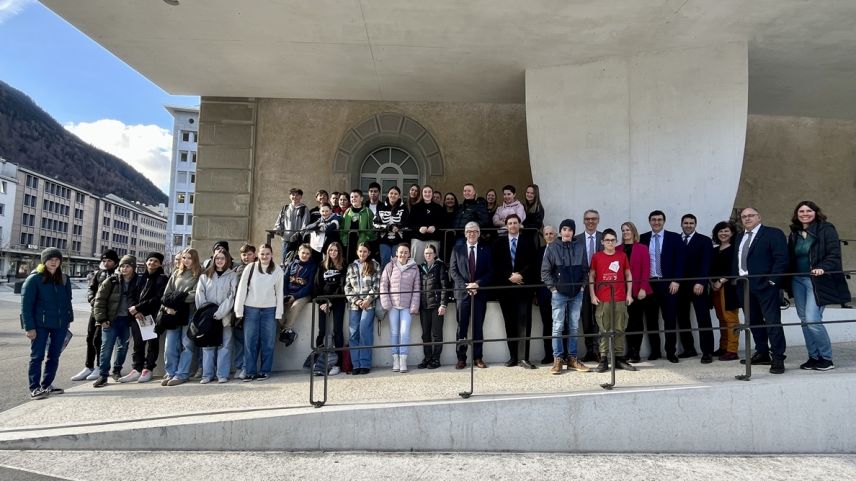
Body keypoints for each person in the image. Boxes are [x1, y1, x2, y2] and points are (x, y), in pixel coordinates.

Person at [787, 201, 851, 371]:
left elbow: (834, 253)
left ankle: (826, 358)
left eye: (808, 211)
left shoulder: (826, 229)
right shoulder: (794, 233)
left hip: (817, 280)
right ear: (797, 214)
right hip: (797, 280)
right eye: (801, 211)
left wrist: (823, 267)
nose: (805, 214)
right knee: (804, 321)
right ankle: (814, 357)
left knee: (812, 320)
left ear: (815, 212)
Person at [733, 207, 789, 374]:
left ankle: (778, 357)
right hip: (744, 285)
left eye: (751, 215)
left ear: (759, 217)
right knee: (753, 321)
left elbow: (782, 259)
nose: (747, 218)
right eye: (744, 216)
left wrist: (772, 281)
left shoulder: (773, 233)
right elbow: (737, 260)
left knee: (772, 322)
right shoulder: (739, 237)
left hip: (766, 286)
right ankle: (762, 352)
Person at [21, 248, 74, 399]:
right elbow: (26, 306)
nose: (54, 262)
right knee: (37, 356)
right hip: (40, 325)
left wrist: (68, 319)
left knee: (54, 356)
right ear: (44, 261)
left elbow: (67, 301)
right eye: (50, 259)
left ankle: (47, 385)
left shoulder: (64, 278)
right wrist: (29, 327)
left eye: (57, 259)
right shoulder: (34, 279)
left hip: (60, 324)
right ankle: (35, 388)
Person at [541, 219, 590, 374]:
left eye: (570, 230)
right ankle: (558, 359)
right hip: (559, 294)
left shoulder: (580, 247)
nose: (567, 232)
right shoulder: (552, 247)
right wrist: (553, 289)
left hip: (576, 294)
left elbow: (585, 270)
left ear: (573, 232)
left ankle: (572, 359)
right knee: (558, 326)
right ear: (560, 232)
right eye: (564, 229)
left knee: (574, 327)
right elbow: (545, 271)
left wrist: (582, 286)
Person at [640, 210, 686, 363]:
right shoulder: (643, 238)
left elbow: (680, 260)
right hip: (650, 284)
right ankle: (655, 351)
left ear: (664, 221)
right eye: (653, 219)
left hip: (669, 284)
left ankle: (671, 352)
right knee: (651, 319)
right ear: (649, 221)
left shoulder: (674, 238)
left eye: (659, 219)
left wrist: (676, 280)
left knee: (670, 319)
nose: (656, 222)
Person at [234, 243, 284, 381]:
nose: (265, 256)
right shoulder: (250, 268)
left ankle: (265, 371)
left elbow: (279, 293)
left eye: (267, 254)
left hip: (270, 310)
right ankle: (250, 372)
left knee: (268, 342)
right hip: (251, 309)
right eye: (262, 254)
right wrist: (239, 310)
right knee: (250, 342)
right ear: (258, 255)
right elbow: (242, 289)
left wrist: (278, 313)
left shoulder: (277, 270)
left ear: (272, 255)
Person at [589, 229, 636, 373]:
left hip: (620, 298)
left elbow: (628, 274)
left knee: (620, 328)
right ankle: (603, 359)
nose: (610, 242)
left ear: (616, 241)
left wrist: (629, 294)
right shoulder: (597, 257)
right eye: (607, 240)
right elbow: (591, 276)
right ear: (602, 242)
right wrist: (592, 295)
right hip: (603, 299)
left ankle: (619, 358)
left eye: (613, 240)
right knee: (604, 329)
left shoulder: (622, 256)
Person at [494, 214, 538, 369]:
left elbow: (533, 263)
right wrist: (509, 276)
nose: (512, 225)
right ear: (506, 226)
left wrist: (520, 275)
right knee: (510, 323)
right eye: (510, 223)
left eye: (515, 223)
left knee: (524, 324)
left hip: (523, 288)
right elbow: (496, 264)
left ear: (519, 225)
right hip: (505, 290)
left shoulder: (528, 242)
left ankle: (524, 358)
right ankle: (513, 357)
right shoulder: (499, 243)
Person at [92, 255, 140, 387]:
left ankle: (117, 370)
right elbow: (99, 300)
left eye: (128, 266)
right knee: (106, 347)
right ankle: (103, 375)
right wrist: (101, 319)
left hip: (127, 321)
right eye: (122, 266)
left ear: (133, 268)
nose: (124, 268)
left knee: (123, 347)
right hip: (111, 320)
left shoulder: (138, 282)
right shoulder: (111, 281)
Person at [450, 221, 493, 369]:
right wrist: (466, 286)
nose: (471, 234)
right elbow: (453, 271)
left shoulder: (486, 249)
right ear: (465, 233)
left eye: (474, 231)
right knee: (461, 327)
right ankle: (461, 358)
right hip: (462, 294)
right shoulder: (457, 249)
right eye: (469, 231)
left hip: (479, 294)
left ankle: (478, 357)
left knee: (478, 327)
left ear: (479, 233)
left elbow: (490, 271)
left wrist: (477, 284)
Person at [71, 249, 118, 381]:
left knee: (98, 339)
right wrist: (92, 300)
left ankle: (99, 366)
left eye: (109, 260)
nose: (106, 263)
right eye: (104, 260)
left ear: (115, 262)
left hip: (108, 312)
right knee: (90, 337)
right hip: (95, 310)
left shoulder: (118, 274)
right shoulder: (99, 273)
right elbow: (91, 288)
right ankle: (88, 366)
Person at [121, 252, 168, 383]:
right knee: (138, 344)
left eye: (156, 261)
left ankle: (148, 369)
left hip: (151, 316)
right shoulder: (139, 278)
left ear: (160, 264)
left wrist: (138, 307)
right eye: (150, 260)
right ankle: (137, 368)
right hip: (137, 316)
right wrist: (135, 311)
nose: (152, 263)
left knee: (152, 344)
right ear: (146, 262)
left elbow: (158, 298)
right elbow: (131, 295)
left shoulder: (162, 279)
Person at [676, 214, 715, 363]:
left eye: (691, 223)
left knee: (703, 319)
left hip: (698, 286)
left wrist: (701, 282)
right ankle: (689, 349)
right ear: (681, 224)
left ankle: (707, 352)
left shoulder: (704, 240)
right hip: (680, 286)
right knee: (683, 318)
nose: (688, 225)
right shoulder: (676, 240)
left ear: (695, 224)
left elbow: (706, 263)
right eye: (685, 223)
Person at [161, 248, 202, 386]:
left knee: (187, 345)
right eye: (184, 258)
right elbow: (167, 294)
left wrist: (177, 298)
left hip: (189, 312)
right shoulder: (176, 273)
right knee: (170, 346)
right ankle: (170, 372)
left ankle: (182, 374)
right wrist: (168, 307)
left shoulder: (199, 274)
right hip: (172, 313)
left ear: (195, 259)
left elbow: (195, 295)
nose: (186, 260)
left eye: (189, 258)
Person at [196, 249, 238, 383]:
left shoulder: (232, 275)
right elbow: (200, 294)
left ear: (227, 260)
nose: (219, 261)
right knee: (208, 346)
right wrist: (207, 313)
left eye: (222, 258)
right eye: (217, 258)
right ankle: (207, 375)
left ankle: (222, 374)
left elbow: (232, 296)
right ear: (213, 260)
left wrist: (220, 313)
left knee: (225, 345)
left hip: (224, 316)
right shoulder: (205, 276)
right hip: (207, 317)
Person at [380, 243, 421, 373]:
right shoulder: (390, 266)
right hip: (392, 306)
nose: (403, 254)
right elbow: (383, 284)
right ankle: (395, 359)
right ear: (396, 253)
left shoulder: (414, 268)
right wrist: (386, 303)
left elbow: (416, 288)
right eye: (401, 252)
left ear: (409, 254)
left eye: (405, 252)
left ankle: (403, 359)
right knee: (394, 333)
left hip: (406, 306)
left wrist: (414, 306)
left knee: (404, 332)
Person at [345, 243, 380, 375]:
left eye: (365, 251)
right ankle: (356, 365)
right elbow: (347, 287)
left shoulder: (375, 265)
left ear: (369, 252)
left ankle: (365, 363)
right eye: (360, 251)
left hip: (369, 304)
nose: (362, 254)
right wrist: (357, 300)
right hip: (354, 305)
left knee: (364, 330)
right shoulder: (351, 266)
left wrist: (368, 300)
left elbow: (377, 285)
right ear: (357, 252)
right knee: (353, 333)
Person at [620, 222, 652, 364]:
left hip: (638, 291)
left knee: (637, 322)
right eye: (623, 230)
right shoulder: (618, 249)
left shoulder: (642, 248)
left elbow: (646, 269)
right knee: (626, 322)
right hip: (622, 292)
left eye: (628, 230)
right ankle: (628, 351)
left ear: (633, 231)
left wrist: (643, 288)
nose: (625, 232)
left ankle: (636, 352)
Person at [313, 241, 347, 376]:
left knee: (337, 331)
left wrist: (331, 302)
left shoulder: (343, 265)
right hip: (323, 302)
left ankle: (337, 364)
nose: (333, 253)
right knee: (322, 331)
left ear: (339, 252)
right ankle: (319, 362)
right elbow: (317, 285)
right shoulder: (322, 265)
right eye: (330, 250)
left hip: (337, 301)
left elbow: (342, 286)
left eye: (335, 250)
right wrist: (323, 302)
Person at [709, 221, 740, 361]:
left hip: (729, 288)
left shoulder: (736, 249)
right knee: (721, 317)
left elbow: (736, 269)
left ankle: (732, 350)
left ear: (732, 233)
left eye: (726, 231)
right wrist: (712, 282)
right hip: (715, 287)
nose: (723, 233)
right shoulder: (714, 250)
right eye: (720, 231)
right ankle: (723, 347)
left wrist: (721, 281)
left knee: (731, 318)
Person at [575, 209, 603, 362]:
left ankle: (598, 350)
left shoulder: (604, 238)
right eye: (587, 219)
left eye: (593, 219)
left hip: (601, 284)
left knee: (599, 318)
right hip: (582, 284)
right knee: (585, 318)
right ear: (584, 220)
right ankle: (589, 350)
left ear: (598, 220)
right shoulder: (576, 239)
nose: (590, 221)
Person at [418, 244, 449, 369]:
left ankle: (436, 359)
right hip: (424, 306)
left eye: (430, 253)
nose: (428, 255)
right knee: (425, 334)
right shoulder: (420, 267)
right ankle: (427, 358)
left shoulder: (440, 266)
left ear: (435, 254)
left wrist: (443, 304)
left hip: (436, 305)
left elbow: (445, 286)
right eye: (426, 253)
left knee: (437, 334)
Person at [281, 244, 318, 346]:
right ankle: (288, 332)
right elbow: (284, 280)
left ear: (310, 255)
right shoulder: (291, 264)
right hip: (289, 293)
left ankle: (286, 329)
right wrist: (285, 295)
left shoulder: (313, 266)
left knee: (295, 306)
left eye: (307, 253)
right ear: (298, 253)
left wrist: (295, 296)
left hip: (303, 295)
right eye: (303, 253)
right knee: (278, 309)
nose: (305, 255)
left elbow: (310, 286)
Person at [534, 225, 559, 364]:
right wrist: (535, 294)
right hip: (543, 293)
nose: (549, 236)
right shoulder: (539, 252)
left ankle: (561, 355)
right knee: (547, 324)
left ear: (556, 235)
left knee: (561, 324)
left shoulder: (562, 250)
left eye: (551, 234)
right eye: (547, 234)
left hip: (559, 292)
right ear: (543, 236)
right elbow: (535, 274)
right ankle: (549, 354)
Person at [232, 243, 257, 379]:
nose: (246, 257)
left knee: (250, 340)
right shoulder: (237, 269)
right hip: (238, 307)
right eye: (244, 254)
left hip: (252, 306)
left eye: (249, 254)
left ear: (254, 255)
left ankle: (247, 367)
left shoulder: (258, 268)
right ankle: (239, 366)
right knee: (239, 339)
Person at [407, 185, 445, 265]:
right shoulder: (415, 207)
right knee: (417, 264)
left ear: (432, 193)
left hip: (433, 240)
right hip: (418, 239)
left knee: (432, 265)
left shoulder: (438, 208)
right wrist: (418, 228)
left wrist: (435, 227)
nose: (427, 194)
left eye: (429, 192)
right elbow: (409, 223)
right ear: (422, 193)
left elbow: (443, 223)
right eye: (425, 192)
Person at [374, 186, 409, 268]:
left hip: (398, 241)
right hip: (384, 240)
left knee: (398, 263)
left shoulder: (404, 208)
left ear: (399, 196)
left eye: (396, 194)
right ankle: (384, 276)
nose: (393, 195)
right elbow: (375, 223)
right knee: (384, 262)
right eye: (391, 193)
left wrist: (398, 226)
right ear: (388, 195)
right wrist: (387, 227)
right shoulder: (381, 207)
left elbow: (407, 223)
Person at [274, 188, 310, 266]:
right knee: (284, 263)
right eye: (293, 195)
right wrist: (278, 230)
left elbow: (305, 225)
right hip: (286, 240)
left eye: (297, 195)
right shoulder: (285, 208)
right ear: (290, 196)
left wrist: (298, 234)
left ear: (301, 197)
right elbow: (279, 222)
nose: (295, 197)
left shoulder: (304, 209)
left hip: (298, 241)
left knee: (297, 263)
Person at [341, 189, 376, 263]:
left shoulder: (368, 212)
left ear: (361, 199)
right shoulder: (347, 212)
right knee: (349, 263)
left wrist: (368, 238)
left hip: (362, 243)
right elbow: (342, 228)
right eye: (352, 197)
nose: (353, 199)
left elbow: (373, 228)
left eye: (356, 196)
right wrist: (343, 239)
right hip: (349, 242)